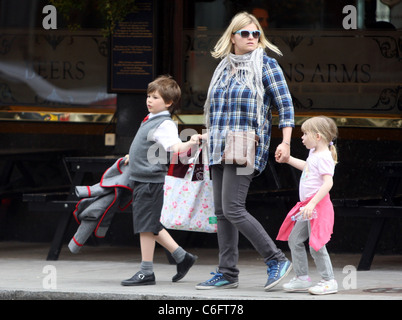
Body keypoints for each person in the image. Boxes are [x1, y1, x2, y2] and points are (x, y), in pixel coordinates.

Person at [196, 12, 294, 291]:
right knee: (221, 211)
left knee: (233, 208)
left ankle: (276, 259)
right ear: (233, 37)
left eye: (256, 34)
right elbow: (217, 109)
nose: (252, 38)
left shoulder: (266, 65)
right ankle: (228, 272)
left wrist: (285, 142)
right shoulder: (222, 67)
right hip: (217, 143)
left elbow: (285, 106)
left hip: (245, 144)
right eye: (246, 34)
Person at [121, 75, 200, 286]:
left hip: (150, 182)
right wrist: (133, 155)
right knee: (150, 225)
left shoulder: (165, 124)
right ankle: (182, 257)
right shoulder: (151, 119)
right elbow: (151, 146)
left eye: (155, 97)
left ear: (168, 102)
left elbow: (174, 148)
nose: (149, 100)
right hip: (144, 179)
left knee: (146, 226)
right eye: (148, 95)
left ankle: (146, 271)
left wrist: (190, 142)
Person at [276, 116, 339, 295]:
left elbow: (328, 183)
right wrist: (288, 160)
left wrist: (311, 204)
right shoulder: (314, 154)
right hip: (308, 207)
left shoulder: (325, 156)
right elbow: (308, 167)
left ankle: (329, 280)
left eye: (305, 134)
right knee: (295, 240)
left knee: (316, 245)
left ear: (317, 136)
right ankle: (302, 278)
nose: (302, 137)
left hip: (316, 207)